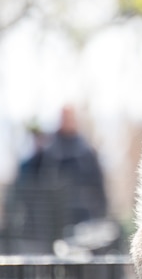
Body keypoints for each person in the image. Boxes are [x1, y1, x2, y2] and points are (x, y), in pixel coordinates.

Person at [3, 105, 107, 252]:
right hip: (51, 220)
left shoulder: (86, 152)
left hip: (81, 218)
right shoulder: (49, 149)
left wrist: (100, 212)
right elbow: (28, 177)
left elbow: (98, 186)